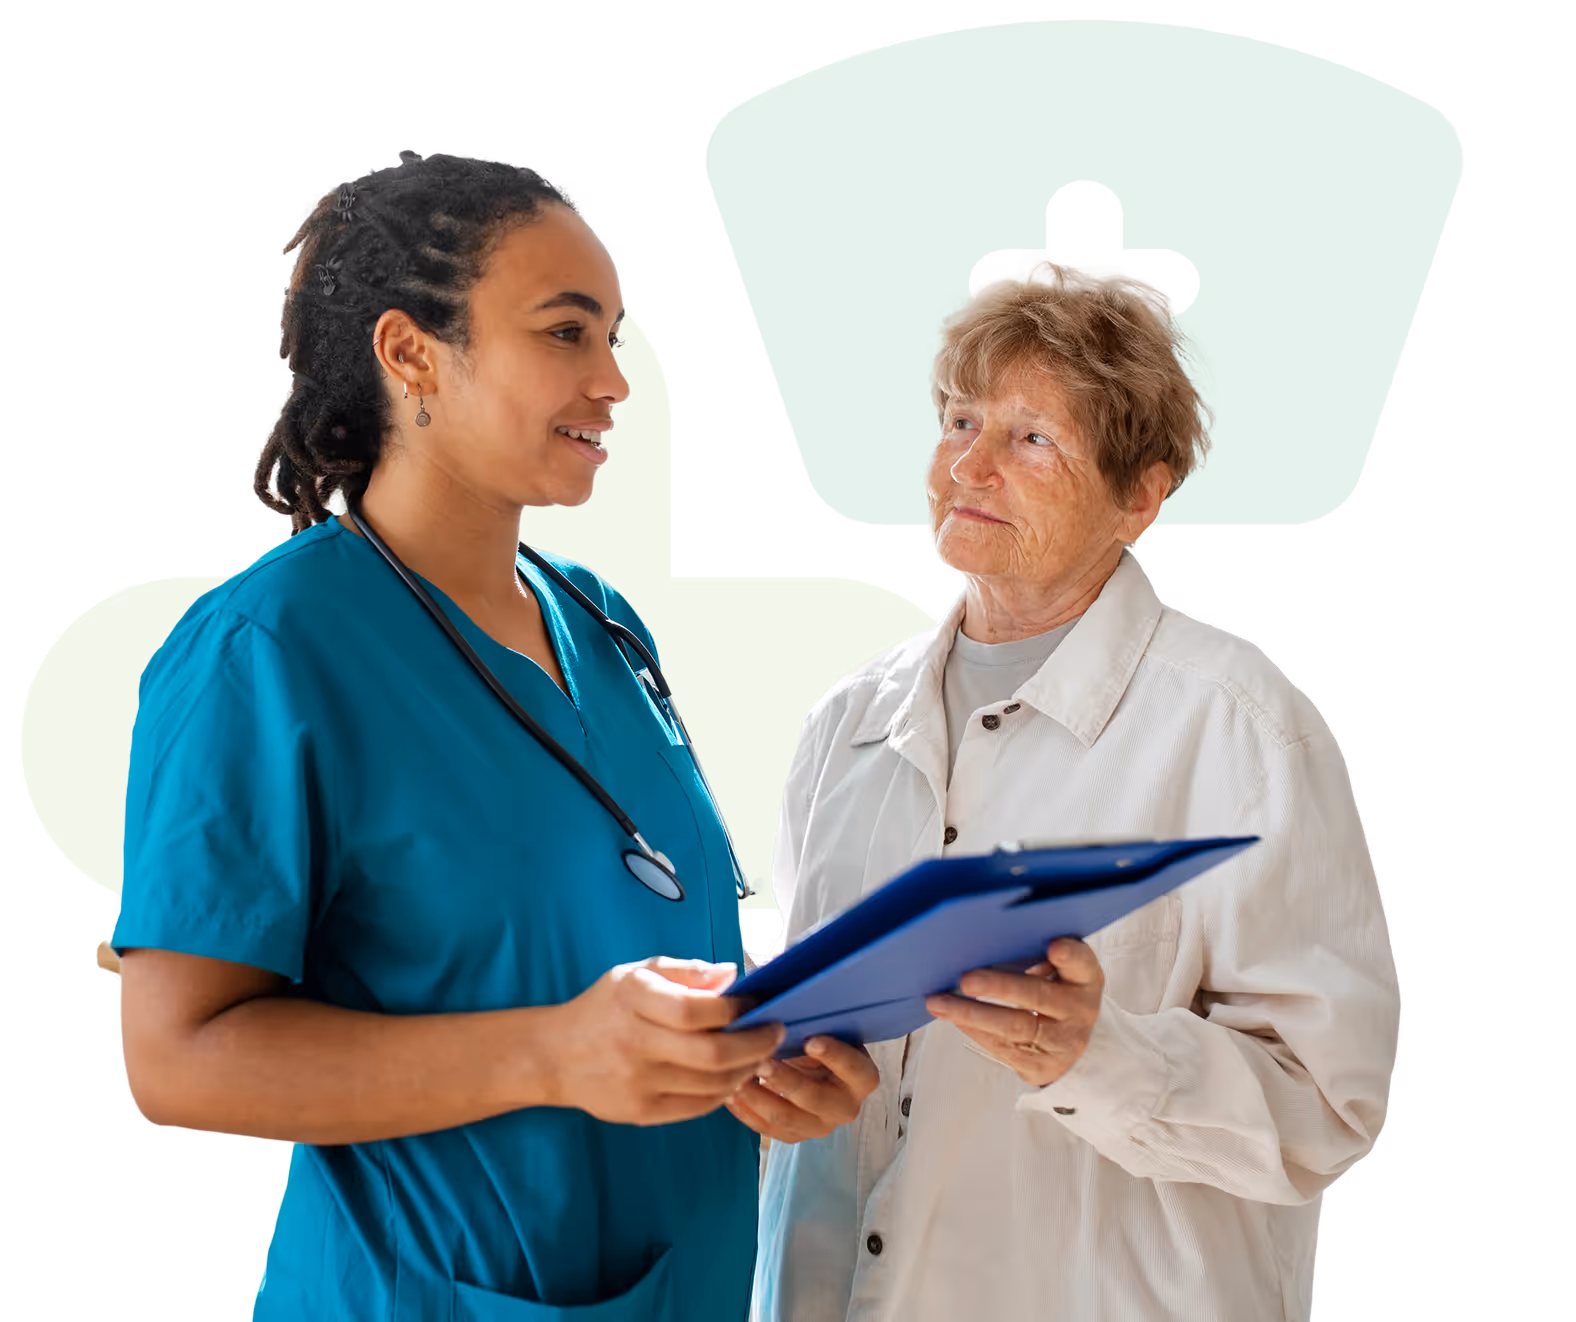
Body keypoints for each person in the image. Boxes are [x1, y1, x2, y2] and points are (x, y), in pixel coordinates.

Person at [109, 150, 878, 1322]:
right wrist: (549, 1055)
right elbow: (175, 1059)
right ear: (411, 352)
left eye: (614, 336)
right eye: (566, 333)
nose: (614, 380)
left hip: (691, 1280)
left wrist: (752, 1033)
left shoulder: (600, 620)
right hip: (436, 1292)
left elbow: (611, 927)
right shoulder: (266, 649)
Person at [744, 251, 1402, 1321]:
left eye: (1030, 438)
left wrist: (1097, 1052)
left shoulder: (1238, 724)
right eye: (959, 422)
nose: (966, 468)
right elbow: (815, 1013)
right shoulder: (845, 722)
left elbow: (1326, 1105)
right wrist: (764, 1060)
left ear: (1138, 496)